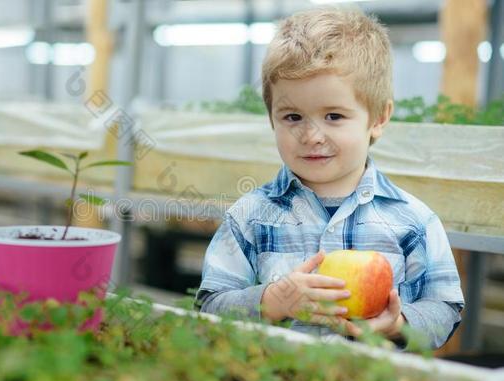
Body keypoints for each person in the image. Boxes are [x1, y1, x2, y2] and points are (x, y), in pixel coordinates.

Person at [194, 7, 464, 349]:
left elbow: (444, 309)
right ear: (271, 118)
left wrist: (399, 324)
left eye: (334, 116)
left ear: (379, 118)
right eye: (292, 117)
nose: (311, 136)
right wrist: (270, 302)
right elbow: (207, 307)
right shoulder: (249, 216)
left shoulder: (413, 220)